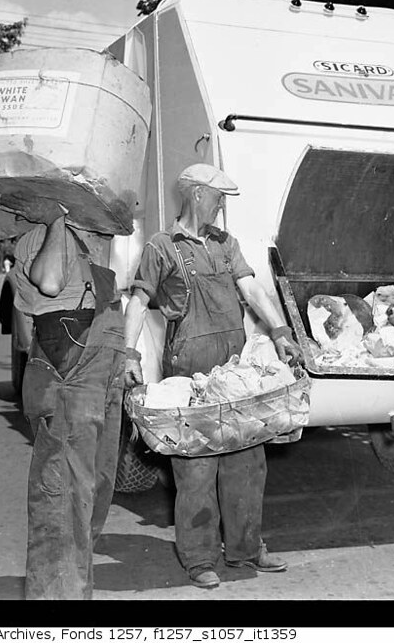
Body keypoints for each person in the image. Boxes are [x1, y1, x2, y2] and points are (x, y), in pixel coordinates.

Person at [122, 163, 303, 590]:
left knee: (247, 463)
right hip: (189, 370)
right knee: (197, 470)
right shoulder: (162, 246)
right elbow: (137, 300)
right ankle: (199, 558)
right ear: (197, 194)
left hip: (236, 371)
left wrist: (279, 332)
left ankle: (245, 549)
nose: (222, 205)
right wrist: (128, 353)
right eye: (218, 196)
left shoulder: (226, 244)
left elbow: (252, 289)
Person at [0, 193, 128, 600]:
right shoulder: (39, 237)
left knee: (95, 490)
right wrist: (55, 220)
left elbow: (22, 337)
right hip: (69, 374)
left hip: (97, 366)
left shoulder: (87, 236)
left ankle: (71, 588)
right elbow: (51, 283)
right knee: (65, 500)